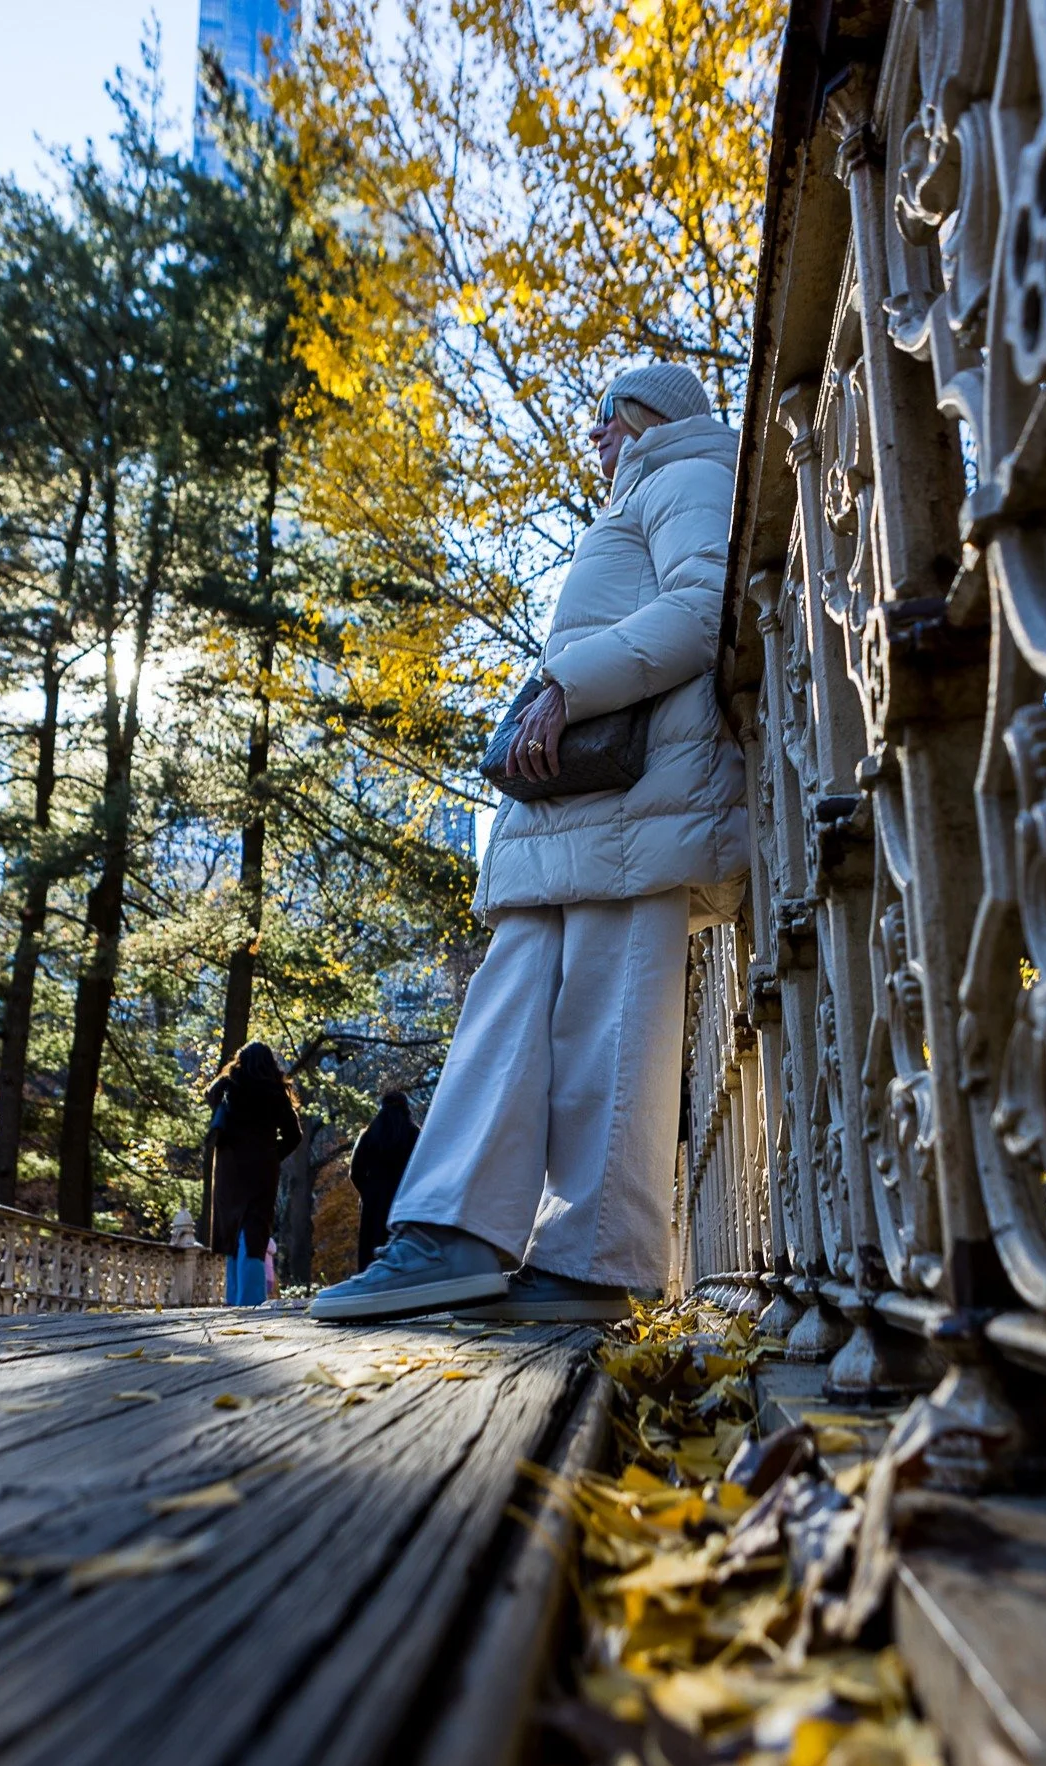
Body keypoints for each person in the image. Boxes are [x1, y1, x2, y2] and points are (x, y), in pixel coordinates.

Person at [311, 362, 749, 1325]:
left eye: (602, 416)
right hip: (590, 800)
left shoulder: (690, 468)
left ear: (646, 415)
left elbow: (705, 605)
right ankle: (452, 1232)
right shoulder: (647, 489)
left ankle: (598, 1264)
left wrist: (566, 685)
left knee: (611, 1004)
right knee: (514, 993)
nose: (591, 437)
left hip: (643, 794)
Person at [204, 1041, 303, 1307]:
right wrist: (273, 1155)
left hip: (229, 1170)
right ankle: (252, 1300)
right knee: (254, 1228)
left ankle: (234, 1298)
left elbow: (209, 1094)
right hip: (262, 1170)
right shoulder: (275, 1093)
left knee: (232, 1230)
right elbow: (294, 1135)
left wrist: (228, 1074)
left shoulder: (229, 1087)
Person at [351, 1090, 421, 1270]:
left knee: (372, 1255)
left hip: (374, 1204)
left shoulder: (370, 1134)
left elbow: (356, 1171)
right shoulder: (415, 1134)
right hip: (405, 1203)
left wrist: (367, 1193)